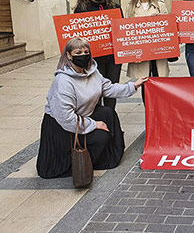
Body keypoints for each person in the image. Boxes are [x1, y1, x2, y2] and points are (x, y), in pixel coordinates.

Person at [36, 38, 147, 179]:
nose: (83, 55)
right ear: (69, 55)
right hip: (61, 127)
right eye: (78, 52)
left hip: (82, 115)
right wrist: (95, 125)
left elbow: (109, 88)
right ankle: (80, 163)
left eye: (86, 52)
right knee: (101, 136)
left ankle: (109, 155)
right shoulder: (63, 81)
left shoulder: (92, 72)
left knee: (108, 112)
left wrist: (134, 85)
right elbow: (66, 118)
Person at [73, 0, 122, 109]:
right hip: (93, 58)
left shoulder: (115, 8)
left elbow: (121, 30)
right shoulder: (81, 10)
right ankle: (98, 120)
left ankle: (111, 120)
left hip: (113, 57)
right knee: (95, 90)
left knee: (112, 89)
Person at [126, 0, 169, 102]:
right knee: (145, 85)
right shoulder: (130, 7)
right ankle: (149, 114)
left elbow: (168, 27)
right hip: (141, 54)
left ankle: (161, 114)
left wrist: (160, 18)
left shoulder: (160, 5)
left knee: (160, 83)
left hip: (158, 53)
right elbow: (127, 31)